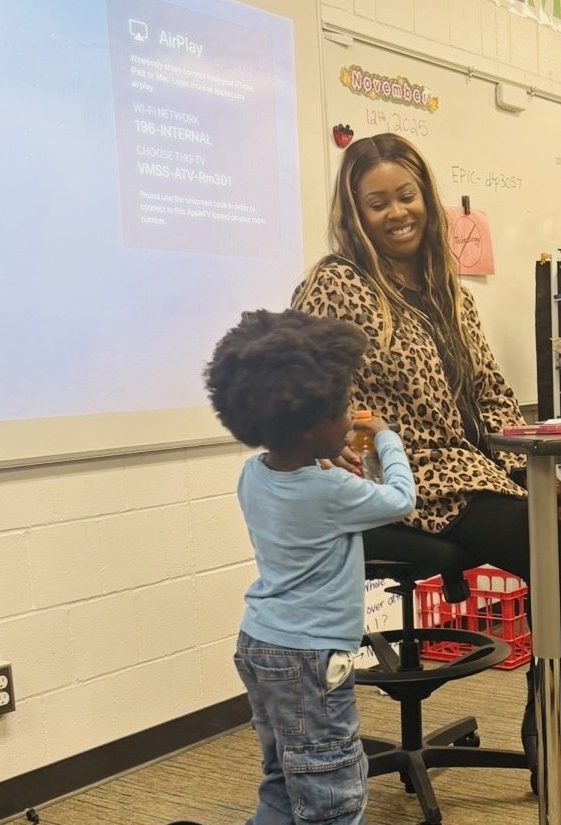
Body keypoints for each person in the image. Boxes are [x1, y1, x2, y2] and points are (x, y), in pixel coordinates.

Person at [291, 132, 561, 794]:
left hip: (464, 467)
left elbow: (490, 392)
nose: (397, 212)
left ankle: (551, 707)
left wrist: (530, 469)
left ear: (425, 198)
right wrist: (337, 447)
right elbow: (299, 382)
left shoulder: (449, 291)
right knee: (553, 544)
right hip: (398, 477)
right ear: (354, 212)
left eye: (406, 195)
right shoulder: (338, 284)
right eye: (378, 202)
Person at [204, 308, 417, 825]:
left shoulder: (252, 473)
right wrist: (386, 437)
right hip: (309, 656)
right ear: (306, 427)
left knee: (282, 775)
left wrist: (325, 457)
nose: (351, 417)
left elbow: (302, 484)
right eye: (343, 409)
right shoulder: (330, 490)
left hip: (259, 643)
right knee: (331, 791)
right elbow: (401, 499)